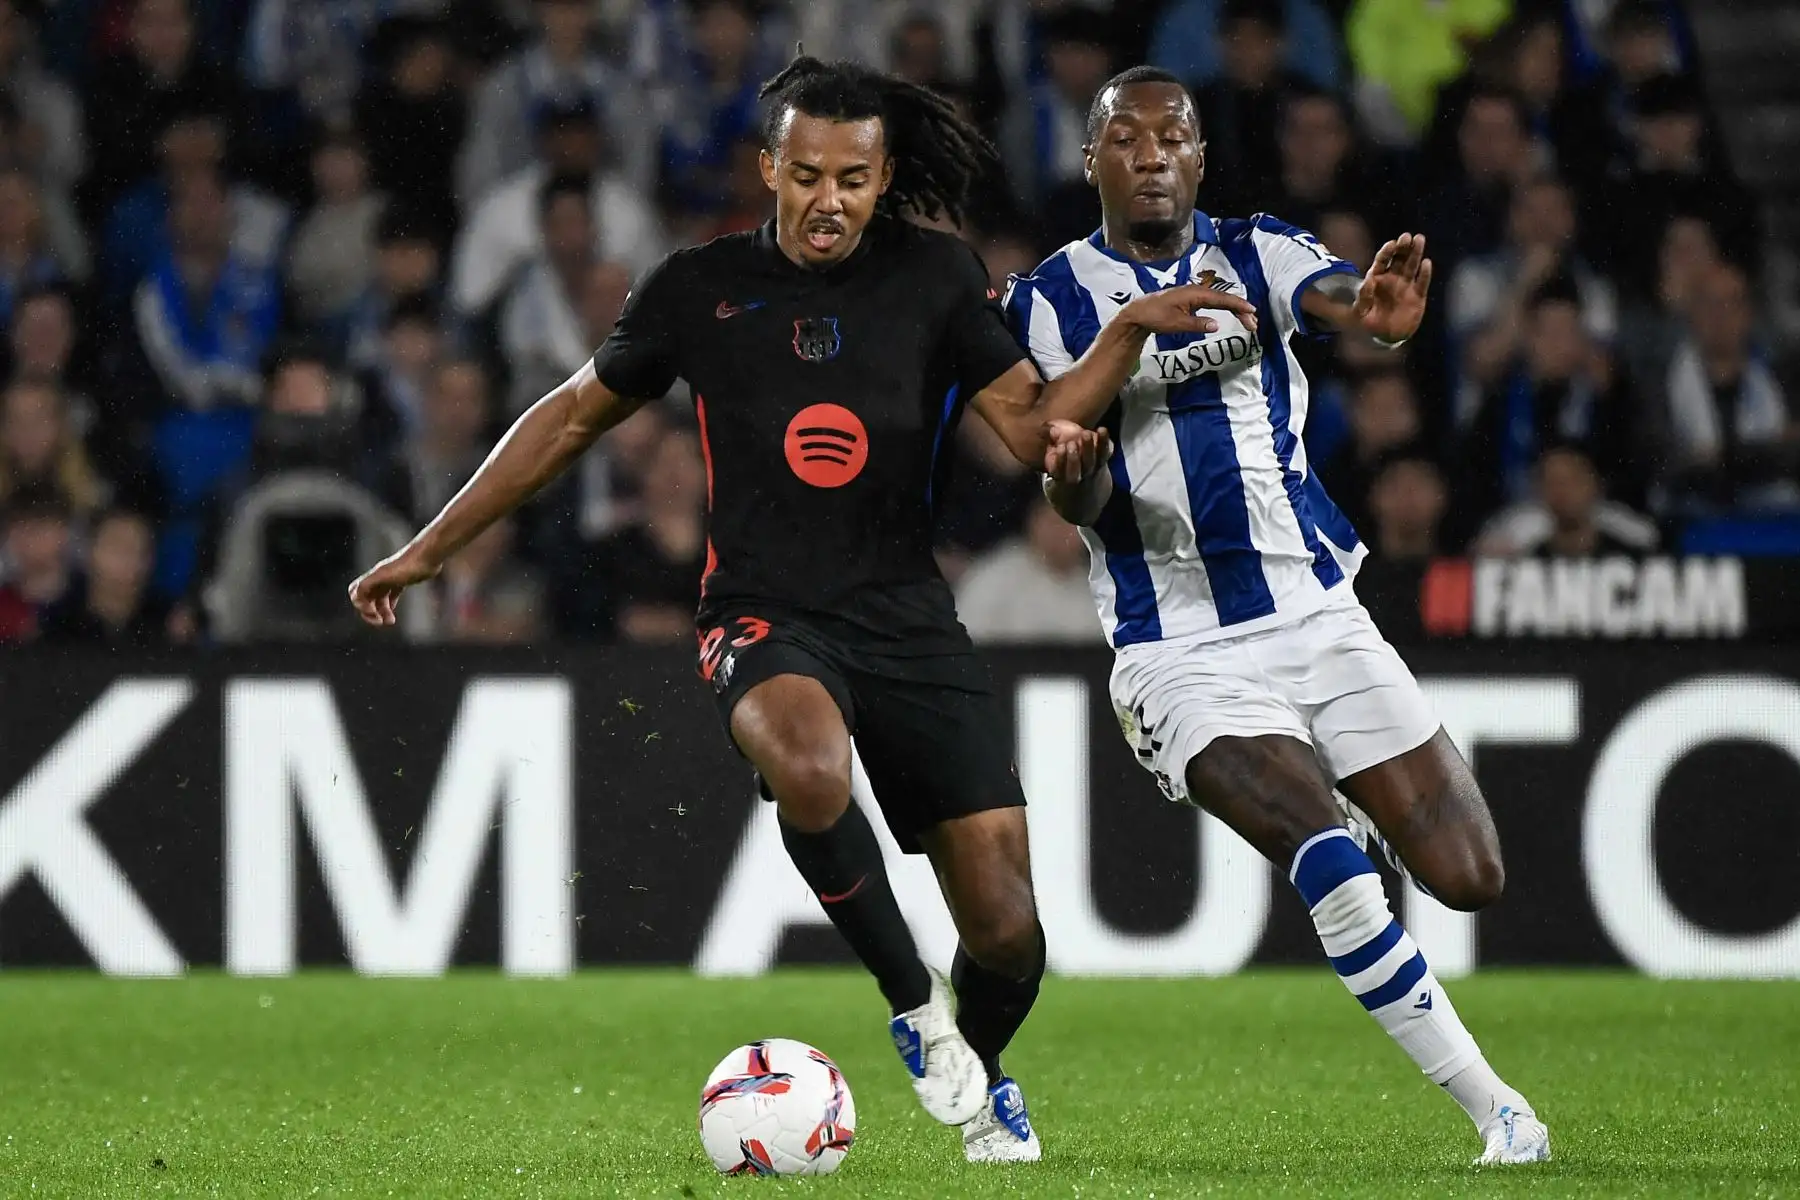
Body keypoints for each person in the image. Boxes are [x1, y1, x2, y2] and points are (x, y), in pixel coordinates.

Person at [349, 53, 1247, 1164]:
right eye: (809, 175)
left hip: (907, 618)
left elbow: (1028, 428)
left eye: (854, 179)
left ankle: (981, 1074)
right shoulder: (698, 288)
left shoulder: (935, 277)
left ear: (884, 179)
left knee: (1011, 937)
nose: (831, 200)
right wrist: (430, 548)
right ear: (770, 168)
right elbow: (571, 417)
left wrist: (1122, 339)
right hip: (763, 611)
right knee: (811, 767)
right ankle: (915, 1007)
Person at [1022, 66, 1551, 1165]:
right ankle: (1499, 1110)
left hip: (1316, 612)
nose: (1153, 153)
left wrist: (1377, 317)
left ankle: (1345, 807)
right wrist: (1083, 451)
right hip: (1178, 647)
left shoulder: (1255, 250)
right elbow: (1056, 463)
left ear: (1201, 157)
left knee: (1471, 876)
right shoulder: (1047, 300)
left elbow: (1341, 297)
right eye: (1126, 137)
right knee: (1332, 864)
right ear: (1092, 159)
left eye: (1174, 135)